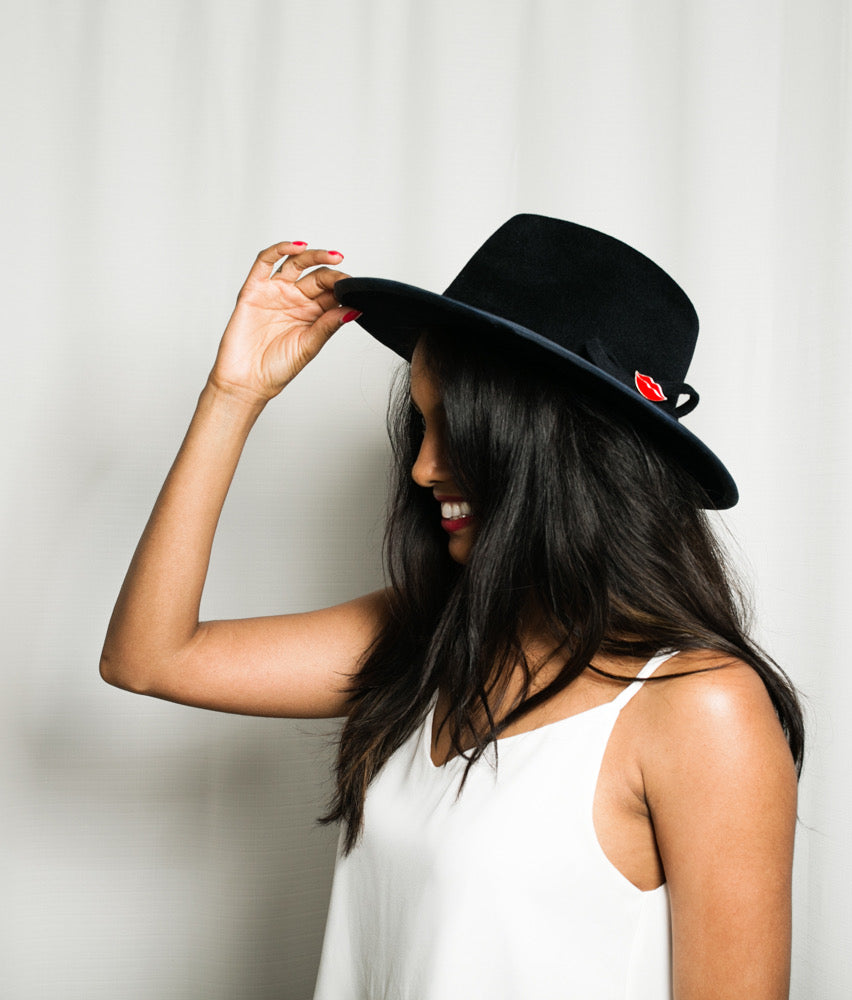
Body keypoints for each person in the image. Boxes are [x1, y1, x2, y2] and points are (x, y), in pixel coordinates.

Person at [101, 215, 803, 1000]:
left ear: (557, 448)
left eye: (460, 429)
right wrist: (232, 396)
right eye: (424, 425)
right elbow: (147, 658)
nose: (425, 467)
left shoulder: (699, 707)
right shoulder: (431, 638)